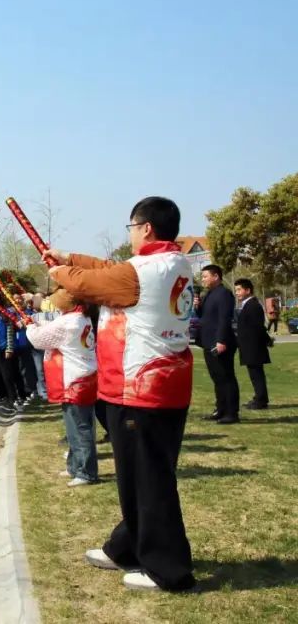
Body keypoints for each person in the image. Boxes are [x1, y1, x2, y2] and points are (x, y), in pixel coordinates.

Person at [45, 195, 196, 592]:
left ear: (146, 228)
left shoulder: (141, 273)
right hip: (157, 385)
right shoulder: (173, 262)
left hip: (140, 390)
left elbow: (87, 283)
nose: (129, 235)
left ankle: (168, 570)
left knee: (149, 482)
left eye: (131, 227)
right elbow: (106, 270)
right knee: (138, 478)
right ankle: (126, 547)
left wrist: (61, 271)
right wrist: (68, 257)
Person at [26, 289, 99, 487]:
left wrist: (29, 326)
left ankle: (87, 472)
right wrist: (36, 324)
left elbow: (39, 339)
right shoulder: (80, 317)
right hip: (83, 376)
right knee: (76, 426)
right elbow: (52, 328)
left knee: (79, 427)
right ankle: (75, 466)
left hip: (75, 379)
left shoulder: (70, 321)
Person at [197, 264, 240, 424]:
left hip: (220, 343)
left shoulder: (224, 294)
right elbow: (205, 316)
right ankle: (220, 409)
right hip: (208, 342)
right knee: (217, 378)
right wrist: (197, 306)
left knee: (226, 377)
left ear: (216, 276)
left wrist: (221, 340)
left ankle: (231, 413)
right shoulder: (209, 294)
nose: (203, 280)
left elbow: (224, 319)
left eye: (205, 276)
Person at [234, 278, 271, 410]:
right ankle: (259, 397)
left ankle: (261, 400)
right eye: (236, 290)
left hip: (253, 347)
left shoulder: (253, 305)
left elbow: (258, 328)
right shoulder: (247, 305)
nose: (237, 293)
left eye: (239, 290)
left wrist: (264, 341)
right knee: (254, 374)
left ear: (248, 290)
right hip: (249, 347)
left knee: (257, 374)